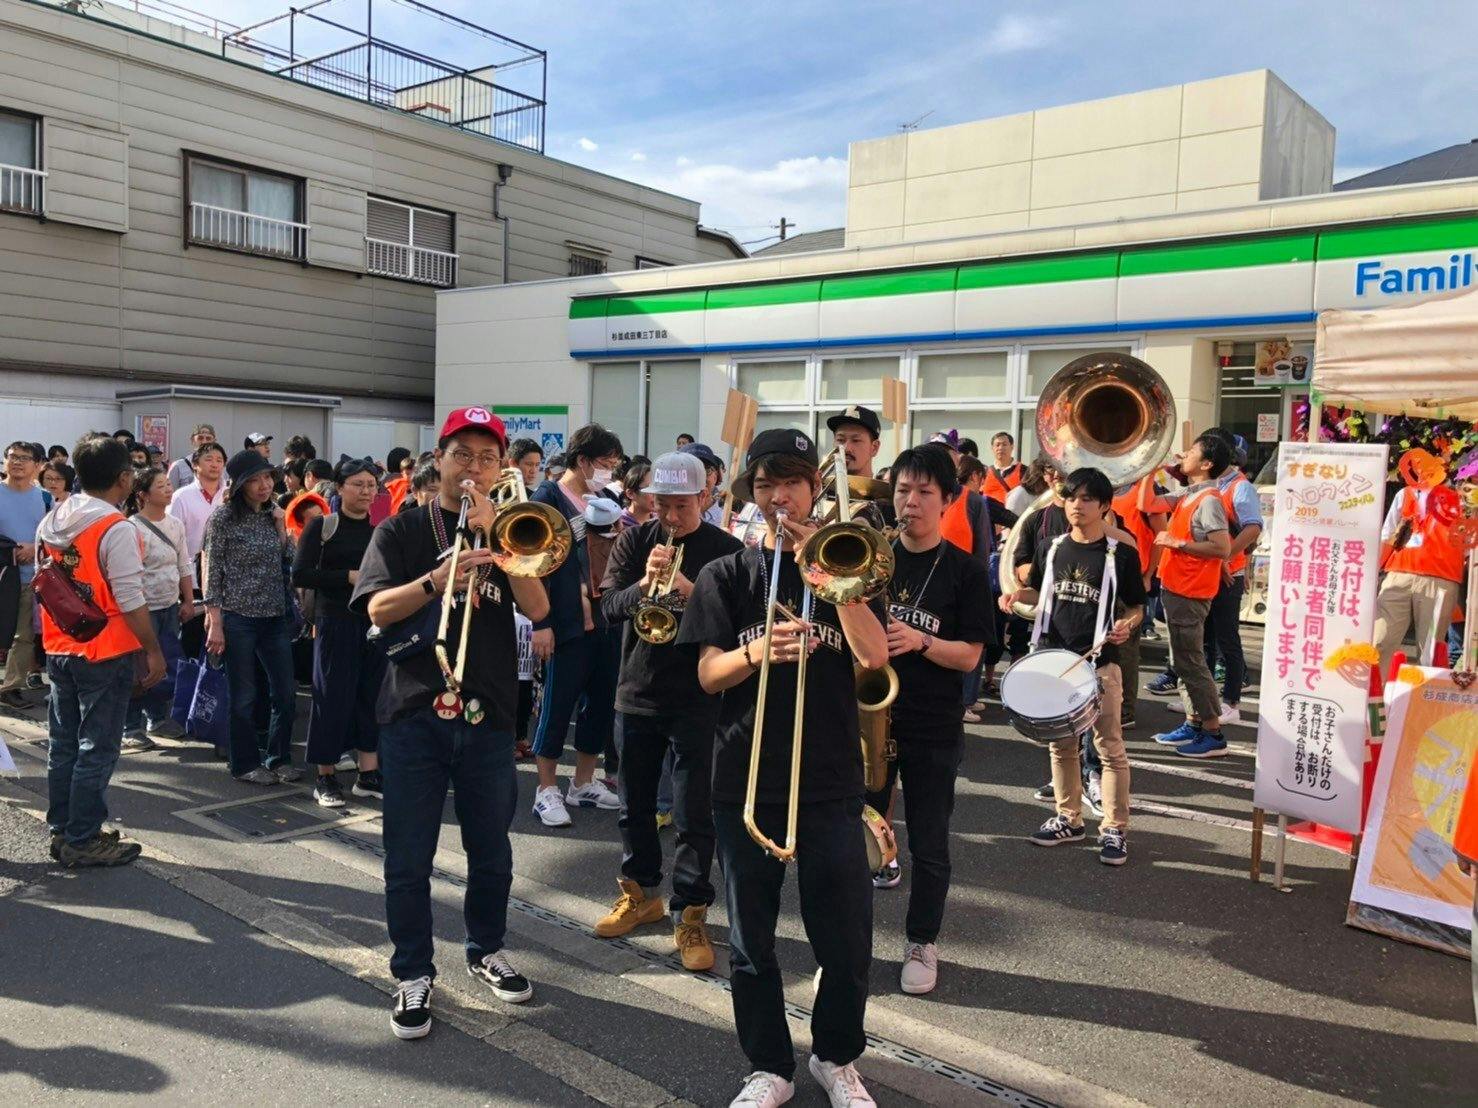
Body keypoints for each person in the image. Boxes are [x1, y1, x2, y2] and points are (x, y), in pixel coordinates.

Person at [679, 428, 889, 1108]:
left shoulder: (851, 564)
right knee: (750, 941)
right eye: (765, 485)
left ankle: (835, 1058)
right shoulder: (725, 575)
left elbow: (874, 656)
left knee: (846, 937)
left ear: (814, 490)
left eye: (791, 482)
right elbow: (708, 674)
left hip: (829, 779)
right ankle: (769, 1065)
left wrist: (831, 579)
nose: (778, 497)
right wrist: (757, 651)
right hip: (744, 776)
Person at [352, 406, 550, 1039]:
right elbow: (376, 609)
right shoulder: (402, 529)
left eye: (487, 457)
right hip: (414, 712)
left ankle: (486, 949)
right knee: (408, 856)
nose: (474, 467)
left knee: (491, 851)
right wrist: (436, 581)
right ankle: (413, 971)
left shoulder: (510, 531)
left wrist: (503, 543)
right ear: (438, 459)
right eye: (462, 454)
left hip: (488, 715)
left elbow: (539, 608)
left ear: (501, 468)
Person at [595, 451, 742, 970]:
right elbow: (608, 608)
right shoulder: (635, 540)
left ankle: (691, 911)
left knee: (692, 812)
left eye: (682, 506)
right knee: (633, 805)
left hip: (699, 698)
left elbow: (735, 629)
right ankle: (641, 895)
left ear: (705, 497)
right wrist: (642, 585)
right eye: (662, 505)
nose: (671, 517)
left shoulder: (727, 551)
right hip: (636, 690)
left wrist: (691, 591)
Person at [867, 446, 992, 994]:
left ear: (947, 500)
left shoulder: (966, 571)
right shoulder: (870, 560)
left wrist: (921, 641)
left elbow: (969, 657)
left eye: (923, 492)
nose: (910, 502)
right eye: (902, 491)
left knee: (929, 841)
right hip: (868, 722)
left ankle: (922, 940)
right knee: (856, 836)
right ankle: (847, 941)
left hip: (933, 724)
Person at [1002, 467, 1145, 865]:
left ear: (1104, 506)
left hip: (1100, 663)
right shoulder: (1050, 547)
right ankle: (1069, 818)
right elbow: (1040, 592)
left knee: (1109, 747)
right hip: (1054, 662)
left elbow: (1136, 606)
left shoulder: (1121, 553)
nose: (1076, 505)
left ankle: (1114, 828)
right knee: (1061, 745)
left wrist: (1127, 625)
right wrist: (1016, 596)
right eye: (1070, 497)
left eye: (1086, 499)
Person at [40, 434, 166, 867]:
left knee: (64, 743)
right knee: (97, 747)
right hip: (105, 650)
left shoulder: (53, 518)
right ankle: (82, 838)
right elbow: (129, 598)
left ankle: (65, 828)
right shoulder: (116, 527)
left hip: (59, 644)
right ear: (125, 478)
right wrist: (153, 650)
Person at [528, 423, 626, 826]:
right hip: (565, 619)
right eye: (605, 463)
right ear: (582, 460)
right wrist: (541, 621)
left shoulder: (607, 497)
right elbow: (530, 564)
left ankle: (583, 781)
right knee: (558, 701)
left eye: (614, 465)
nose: (609, 472)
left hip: (606, 616)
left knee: (600, 701)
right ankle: (546, 788)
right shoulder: (546, 498)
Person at [204, 449, 301, 785]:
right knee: (243, 697)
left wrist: (280, 526)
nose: (264, 485)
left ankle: (279, 758)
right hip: (238, 617)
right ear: (240, 485)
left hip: (274, 615)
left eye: (268, 478)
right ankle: (245, 764)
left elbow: (289, 560)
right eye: (255, 480)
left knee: (285, 693)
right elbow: (212, 570)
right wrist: (215, 621)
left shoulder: (272, 515)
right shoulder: (223, 518)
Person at [294, 457, 384, 807]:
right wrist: (347, 577)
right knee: (331, 696)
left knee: (370, 696)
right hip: (334, 621)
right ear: (340, 488)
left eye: (371, 485)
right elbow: (300, 574)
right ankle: (325, 776)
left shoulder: (380, 530)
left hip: (372, 622)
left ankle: (368, 774)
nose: (365, 491)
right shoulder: (323, 526)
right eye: (358, 484)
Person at [1150, 434, 1232, 758]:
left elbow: (1221, 547)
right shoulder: (1189, 493)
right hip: (1177, 587)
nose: (1185, 454)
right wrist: (1149, 469)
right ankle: (1193, 722)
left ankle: (1213, 732)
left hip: (1189, 590)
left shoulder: (1208, 499)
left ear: (1207, 463)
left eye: (1193, 451)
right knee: (1182, 661)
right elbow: (1149, 504)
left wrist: (1177, 543)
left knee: (1191, 662)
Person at [121, 466, 193, 752]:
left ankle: (157, 718)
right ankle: (131, 727)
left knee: (166, 664)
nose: (168, 489)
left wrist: (188, 600)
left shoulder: (175, 524)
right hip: (143, 608)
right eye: (160, 486)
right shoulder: (132, 527)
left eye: (168, 485)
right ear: (143, 494)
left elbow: (184, 564)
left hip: (169, 605)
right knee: (140, 667)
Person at [1375, 477, 1465, 672]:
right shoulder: (1406, 494)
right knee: (1380, 642)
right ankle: (1374, 691)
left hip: (1441, 580)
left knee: (1430, 654)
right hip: (1398, 576)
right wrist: (1373, 573)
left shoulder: (1465, 500)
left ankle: (1424, 693)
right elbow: (1387, 535)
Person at [1203, 430, 1261, 725]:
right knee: (1207, 639)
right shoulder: (1209, 484)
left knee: (1227, 638)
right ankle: (1204, 699)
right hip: (1207, 572)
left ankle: (1231, 702)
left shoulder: (1240, 487)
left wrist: (1226, 556)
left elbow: (1253, 528)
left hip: (1228, 573)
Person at [0, 441, 48, 709]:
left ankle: (11, 687)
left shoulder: (44, 498)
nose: (17, 462)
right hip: (2, 575)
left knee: (23, 636)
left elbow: (52, 536)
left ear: (37, 465)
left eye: (24, 458)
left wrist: (34, 547)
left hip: (31, 577)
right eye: (12, 456)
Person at [826, 405, 894, 527]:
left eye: (856, 440)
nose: (846, 448)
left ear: (874, 448)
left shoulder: (889, 502)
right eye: (840, 440)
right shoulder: (819, 494)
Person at [169, 442, 228, 567]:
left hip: (226, 571)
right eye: (209, 459)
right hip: (190, 572)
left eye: (219, 461)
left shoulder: (231, 496)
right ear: (195, 464)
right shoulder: (181, 497)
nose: (214, 465)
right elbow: (171, 539)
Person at [982, 431, 1025, 505]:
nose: (1000, 448)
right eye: (997, 445)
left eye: (1004, 444)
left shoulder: (1024, 471)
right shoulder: (984, 473)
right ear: (992, 448)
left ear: (1012, 447)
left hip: (1012, 512)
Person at [166, 424, 214, 490]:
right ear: (192, 441)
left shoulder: (220, 468)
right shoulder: (178, 466)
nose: (204, 442)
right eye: (200, 438)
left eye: (208, 439)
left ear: (214, 442)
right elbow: (168, 493)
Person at [619, 461, 655, 526]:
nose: (657, 495)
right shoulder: (618, 524)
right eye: (650, 489)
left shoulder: (661, 522)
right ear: (630, 493)